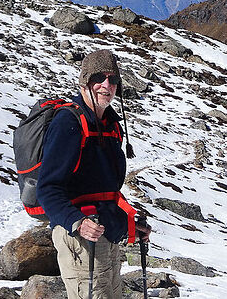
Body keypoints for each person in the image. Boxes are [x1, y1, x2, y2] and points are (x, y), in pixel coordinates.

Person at [37, 49, 151, 298]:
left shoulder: (111, 124)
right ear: (85, 81)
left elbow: (105, 189)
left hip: (106, 235)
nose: (107, 85)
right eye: (99, 77)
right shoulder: (69, 123)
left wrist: (129, 222)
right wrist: (77, 222)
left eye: (113, 79)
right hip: (80, 240)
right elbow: (47, 188)